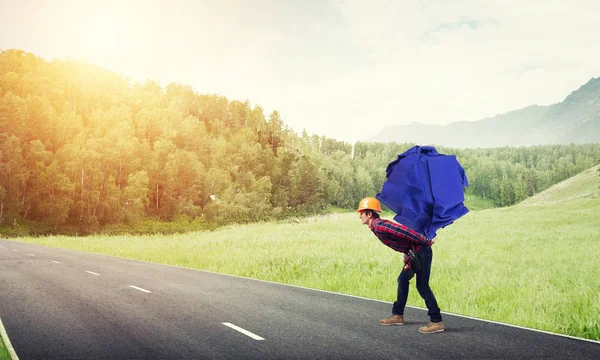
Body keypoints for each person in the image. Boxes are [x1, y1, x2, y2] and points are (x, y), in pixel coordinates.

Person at [357, 197, 445, 334]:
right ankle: (398, 316)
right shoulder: (375, 226)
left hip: (421, 251)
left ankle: (436, 321)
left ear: (369, 214)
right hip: (414, 253)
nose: (359, 215)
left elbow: (402, 231)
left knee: (422, 286)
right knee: (402, 280)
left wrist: (425, 241)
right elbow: (400, 239)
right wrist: (407, 253)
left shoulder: (379, 225)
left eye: (361, 212)